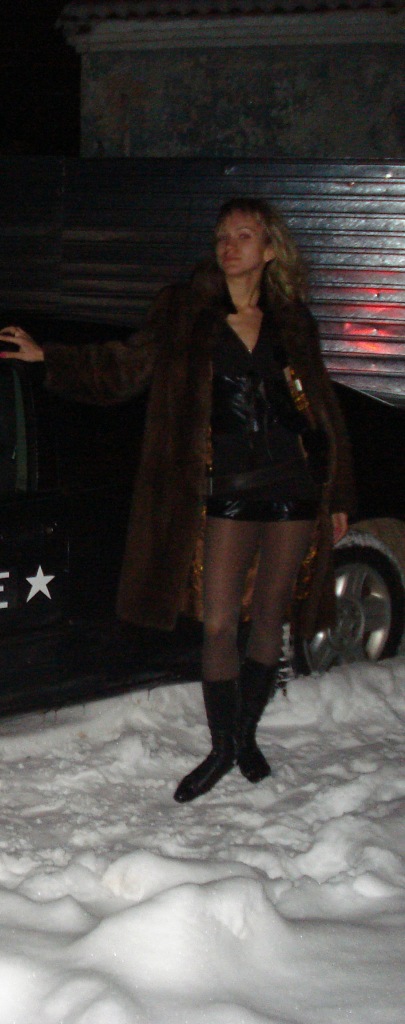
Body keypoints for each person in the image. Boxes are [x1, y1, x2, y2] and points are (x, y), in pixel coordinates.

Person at [0, 196, 355, 803]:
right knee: (218, 622)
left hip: (292, 488)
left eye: (244, 236)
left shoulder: (293, 321)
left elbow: (323, 409)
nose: (229, 246)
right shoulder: (185, 311)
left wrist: (339, 492)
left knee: (270, 618)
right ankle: (222, 747)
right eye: (222, 236)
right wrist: (49, 357)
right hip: (226, 492)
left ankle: (243, 739)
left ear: (270, 249)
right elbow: (124, 367)